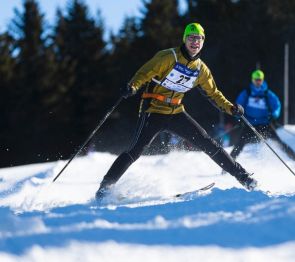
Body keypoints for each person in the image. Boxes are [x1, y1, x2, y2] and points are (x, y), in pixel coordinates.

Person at [95, 23, 257, 201]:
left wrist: (231, 108)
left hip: (176, 112)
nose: (194, 42)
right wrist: (133, 86)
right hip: (153, 110)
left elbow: (214, 94)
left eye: (198, 39)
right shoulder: (168, 57)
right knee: (135, 150)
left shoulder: (200, 69)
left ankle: (244, 178)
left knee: (209, 143)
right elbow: (144, 73)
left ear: (203, 42)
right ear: (185, 40)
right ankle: (105, 188)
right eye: (191, 38)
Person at [229, 70, 295, 165]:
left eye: (260, 79)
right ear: (253, 80)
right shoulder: (246, 93)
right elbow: (237, 106)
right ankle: (228, 166)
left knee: (279, 143)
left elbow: (277, 105)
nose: (258, 81)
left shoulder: (267, 94)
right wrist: (239, 119)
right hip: (250, 124)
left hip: (265, 123)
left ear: (262, 80)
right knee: (239, 145)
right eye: (256, 79)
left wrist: (274, 116)